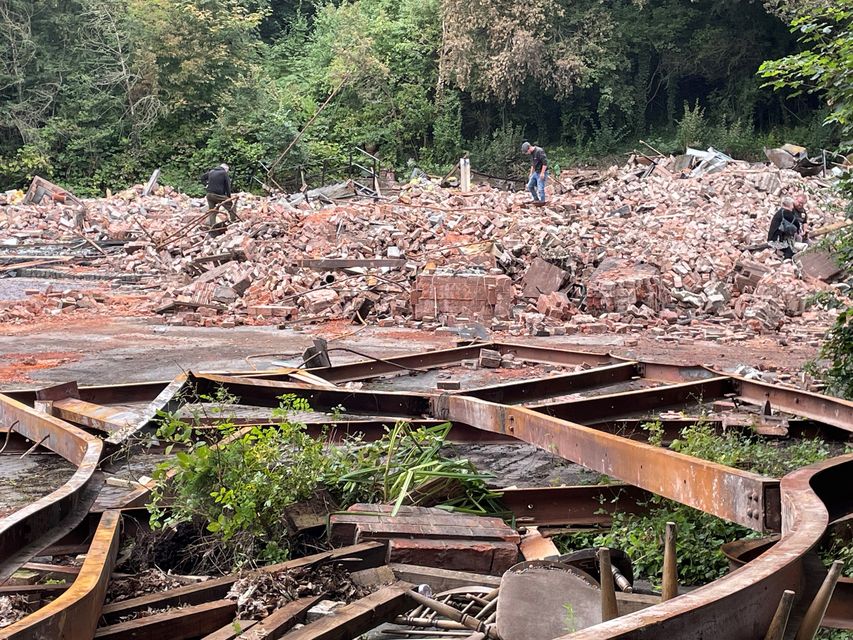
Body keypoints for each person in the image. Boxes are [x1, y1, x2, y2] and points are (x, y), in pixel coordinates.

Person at [200, 163, 237, 228]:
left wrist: (206, 185)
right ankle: (234, 220)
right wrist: (229, 197)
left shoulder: (211, 172)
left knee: (212, 210)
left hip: (209, 194)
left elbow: (202, 178)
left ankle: (212, 225)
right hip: (218, 195)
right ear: (226, 169)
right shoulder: (224, 173)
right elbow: (228, 186)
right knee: (230, 205)